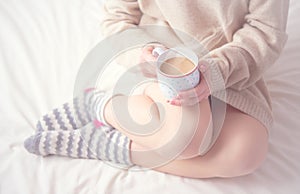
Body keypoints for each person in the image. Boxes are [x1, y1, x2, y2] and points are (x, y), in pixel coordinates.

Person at [24, 0, 289, 178]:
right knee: (188, 137)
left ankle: (114, 146)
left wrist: (217, 71)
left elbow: (265, 32)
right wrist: (143, 53)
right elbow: (117, 18)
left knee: (247, 152)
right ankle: (102, 105)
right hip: (159, 58)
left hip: (230, 65)